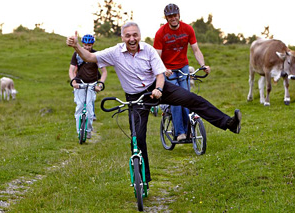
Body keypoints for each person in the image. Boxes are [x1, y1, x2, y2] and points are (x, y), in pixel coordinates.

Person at [66, 21, 241, 187]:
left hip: (157, 88)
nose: (132, 39)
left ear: (140, 35)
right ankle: (143, 180)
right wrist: (76, 46)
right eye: (128, 36)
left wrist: (158, 89)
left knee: (192, 99)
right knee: (138, 138)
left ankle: (229, 123)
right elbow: (89, 56)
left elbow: (159, 74)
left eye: (135, 35)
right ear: (122, 38)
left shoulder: (148, 50)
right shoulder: (115, 52)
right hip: (135, 97)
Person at [154, 3, 210, 141]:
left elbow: (195, 50)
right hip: (168, 71)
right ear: (166, 18)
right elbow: (156, 57)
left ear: (179, 15)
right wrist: (163, 70)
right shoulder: (161, 33)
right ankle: (180, 133)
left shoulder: (188, 29)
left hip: (183, 68)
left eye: (175, 15)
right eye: (170, 16)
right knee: (176, 101)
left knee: (187, 99)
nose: (173, 18)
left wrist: (202, 65)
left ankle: (189, 131)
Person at [69, 34, 107, 139]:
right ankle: (79, 132)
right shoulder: (76, 54)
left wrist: (100, 84)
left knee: (90, 109)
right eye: (85, 45)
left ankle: (89, 130)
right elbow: (71, 69)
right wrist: (73, 81)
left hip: (92, 84)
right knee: (79, 107)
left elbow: (104, 72)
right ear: (82, 44)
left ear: (93, 44)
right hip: (79, 83)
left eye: (89, 45)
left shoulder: (96, 55)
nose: (87, 47)